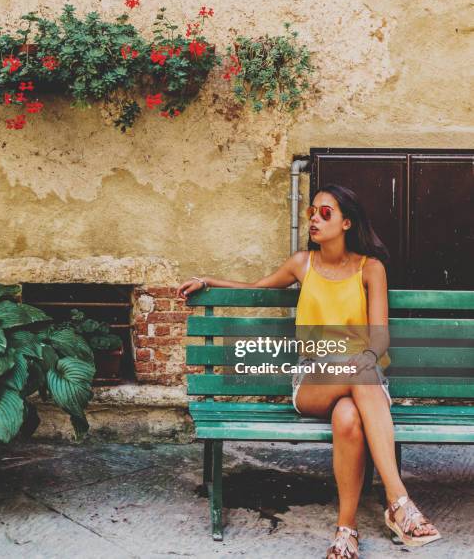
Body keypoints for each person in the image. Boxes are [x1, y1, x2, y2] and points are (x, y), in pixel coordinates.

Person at [176, 184, 440, 558]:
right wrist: (208, 281)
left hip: (362, 377)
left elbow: (378, 337)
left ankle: (346, 531)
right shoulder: (303, 264)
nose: (314, 218)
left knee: (349, 417)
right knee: (357, 378)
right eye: (311, 212)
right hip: (314, 380)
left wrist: (364, 357)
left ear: (347, 222)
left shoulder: (371, 269)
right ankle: (398, 501)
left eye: (325, 213)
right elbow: (255, 289)